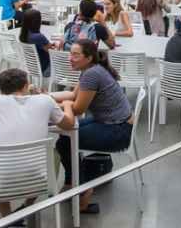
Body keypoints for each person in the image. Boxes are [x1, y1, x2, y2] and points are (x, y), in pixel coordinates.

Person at [0, 68, 75, 220]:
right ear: (27, 84)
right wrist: (67, 105)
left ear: (1, 91)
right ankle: (28, 205)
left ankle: (7, 218)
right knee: (51, 155)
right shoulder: (45, 100)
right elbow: (68, 125)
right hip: (40, 181)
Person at [51, 40, 134, 214]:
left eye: (75, 55)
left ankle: (81, 189)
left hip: (118, 130)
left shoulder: (91, 75)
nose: (70, 58)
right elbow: (73, 95)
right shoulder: (90, 70)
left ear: (88, 58)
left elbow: (78, 108)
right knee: (66, 136)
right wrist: (49, 98)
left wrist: (52, 106)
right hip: (114, 122)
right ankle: (73, 183)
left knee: (66, 141)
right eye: (70, 54)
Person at [19, 9, 52, 76]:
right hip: (45, 68)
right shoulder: (39, 37)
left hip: (31, 66)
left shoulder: (23, 36)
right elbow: (52, 52)